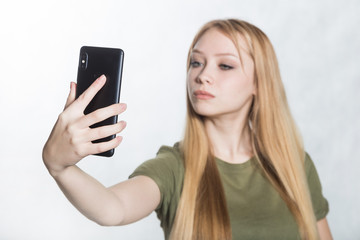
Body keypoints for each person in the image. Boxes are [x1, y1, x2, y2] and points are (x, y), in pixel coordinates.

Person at [42, 19, 332, 240]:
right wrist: (59, 167)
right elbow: (112, 208)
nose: (203, 75)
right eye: (196, 62)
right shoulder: (174, 167)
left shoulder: (295, 165)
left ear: (259, 82)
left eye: (225, 66)